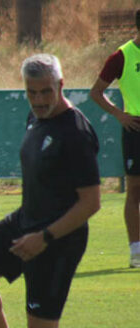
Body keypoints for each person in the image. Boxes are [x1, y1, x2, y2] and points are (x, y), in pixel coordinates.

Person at [0, 54, 101, 328]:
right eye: (31, 92)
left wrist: (45, 237)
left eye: (46, 92)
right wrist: (31, 229)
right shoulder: (35, 117)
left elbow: (91, 202)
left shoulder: (75, 132)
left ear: (60, 85)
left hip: (59, 239)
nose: (38, 100)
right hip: (25, 221)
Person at [90, 9, 140, 268]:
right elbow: (96, 92)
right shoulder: (122, 56)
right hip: (136, 129)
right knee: (134, 192)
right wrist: (119, 114)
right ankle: (136, 252)